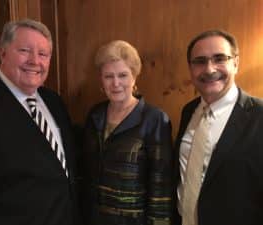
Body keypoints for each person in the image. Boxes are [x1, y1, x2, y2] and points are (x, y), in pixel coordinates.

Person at [0, 19, 79, 225]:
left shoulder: (54, 101)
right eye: (25, 50)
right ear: (3, 53)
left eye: (43, 54)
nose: (35, 61)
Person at [175, 29, 263, 225]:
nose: (209, 69)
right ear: (190, 68)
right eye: (200, 61)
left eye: (219, 58)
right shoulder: (188, 111)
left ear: (236, 63)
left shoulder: (259, 115)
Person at [81, 40, 173, 225]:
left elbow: (161, 185)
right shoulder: (95, 115)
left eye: (123, 75)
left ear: (134, 78)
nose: (116, 83)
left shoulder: (155, 119)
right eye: (109, 76)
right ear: (101, 79)